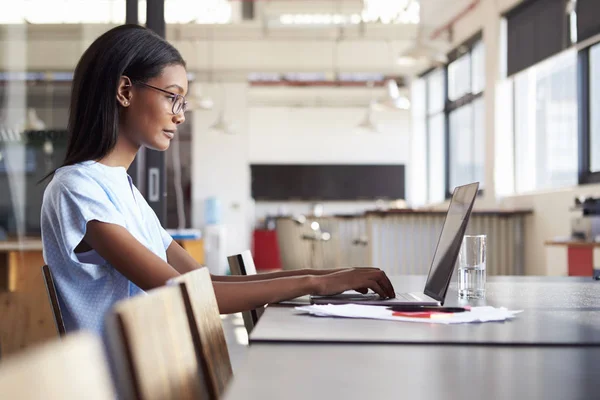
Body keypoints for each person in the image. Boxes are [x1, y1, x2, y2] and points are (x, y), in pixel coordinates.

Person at [40, 24, 395, 337]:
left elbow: (204, 281)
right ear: (125, 91)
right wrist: (316, 282)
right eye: (172, 97)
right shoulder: (78, 188)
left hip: (158, 373)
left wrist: (325, 275)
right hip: (126, 384)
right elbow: (189, 293)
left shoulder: (123, 189)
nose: (180, 116)